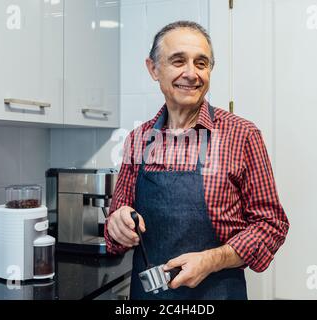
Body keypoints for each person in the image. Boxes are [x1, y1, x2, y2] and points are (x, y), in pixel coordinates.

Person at [104, 20, 289, 300]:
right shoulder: (138, 139)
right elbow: (115, 232)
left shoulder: (242, 135)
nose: (191, 74)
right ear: (153, 69)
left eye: (201, 64)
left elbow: (271, 225)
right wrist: (117, 225)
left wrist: (212, 260)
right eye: (178, 61)